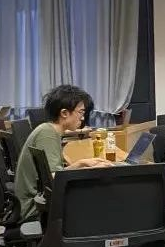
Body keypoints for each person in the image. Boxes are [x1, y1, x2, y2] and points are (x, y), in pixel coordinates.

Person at [14, 85, 113, 221]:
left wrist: (81, 164)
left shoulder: (48, 130)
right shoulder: (47, 134)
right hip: (34, 207)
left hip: (39, 201)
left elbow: (53, 175)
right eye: (80, 112)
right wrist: (87, 169)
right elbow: (55, 178)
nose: (82, 118)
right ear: (64, 113)